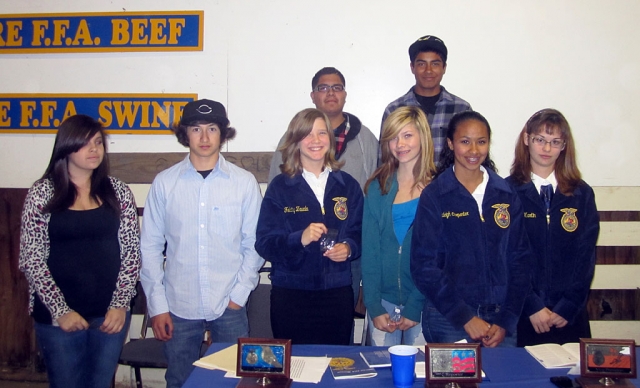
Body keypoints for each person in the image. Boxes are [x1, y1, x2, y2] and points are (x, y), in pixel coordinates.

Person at [140, 99, 264, 388]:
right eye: (196, 129)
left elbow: (254, 243)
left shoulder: (244, 183)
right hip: (178, 305)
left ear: (223, 133)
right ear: (185, 134)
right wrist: (157, 305)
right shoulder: (165, 183)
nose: (205, 138)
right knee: (180, 381)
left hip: (230, 304)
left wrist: (239, 294)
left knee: (233, 382)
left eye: (212, 129)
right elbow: (150, 247)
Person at [18, 114, 141, 388]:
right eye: (85, 144)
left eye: (98, 142)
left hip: (109, 315)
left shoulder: (118, 191)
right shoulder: (42, 193)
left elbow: (131, 255)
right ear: (66, 147)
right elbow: (31, 259)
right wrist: (61, 311)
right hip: (57, 317)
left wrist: (120, 305)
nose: (94, 149)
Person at [410, 111, 531, 347]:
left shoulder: (506, 194)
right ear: (450, 144)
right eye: (465, 141)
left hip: (501, 320)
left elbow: (521, 260)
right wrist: (464, 316)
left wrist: (507, 319)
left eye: (481, 142)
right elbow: (423, 265)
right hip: (449, 320)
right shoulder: (436, 195)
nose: (474, 150)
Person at [268, 67, 378, 311]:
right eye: (323, 88)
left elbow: (374, 200)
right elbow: (275, 203)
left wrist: (356, 254)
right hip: (296, 267)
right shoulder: (290, 138)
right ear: (313, 95)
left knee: (340, 331)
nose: (331, 93)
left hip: (347, 260)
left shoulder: (366, 139)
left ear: (345, 94)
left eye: (337, 87)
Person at [256, 108, 364, 345]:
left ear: (331, 139)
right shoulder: (280, 187)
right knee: (295, 369)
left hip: (337, 295)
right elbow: (264, 243)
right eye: (307, 134)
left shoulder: (348, 186)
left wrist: (349, 248)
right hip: (291, 295)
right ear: (295, 141)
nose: (315, 141)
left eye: (322, 133)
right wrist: (299, 239)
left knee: (335, 367)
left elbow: (360, 233)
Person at [506, 109, 599, 347]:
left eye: (555, 142)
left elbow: (585, 257)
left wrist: (568, 306)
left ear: (564, 146)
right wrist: (532, 305)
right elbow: (506, 257)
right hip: (524, 313)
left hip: (569, 314)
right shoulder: (506, 193)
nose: (547, 149)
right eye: (540, 140)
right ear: (527, 139)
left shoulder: (581, 194)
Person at [361, 106, 436, 346]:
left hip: (425, 303)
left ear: (422, 137)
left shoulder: (439, 189)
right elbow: (370, 252)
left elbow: (438, 257)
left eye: (407, 135)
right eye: (393, 137)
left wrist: (415, 305)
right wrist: (373, 305)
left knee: (423, 376)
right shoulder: (377, 187)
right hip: (383, 304)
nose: (400, 144)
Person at [381, 35, 471, 164]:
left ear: (444, 68)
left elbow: (468, 155)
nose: (428, 70)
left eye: (435, 64)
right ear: (412, 67)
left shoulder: (461, 109)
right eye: (421, 64)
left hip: (448, 184)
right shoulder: (394, 110)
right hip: (405, 183)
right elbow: (384, 160)